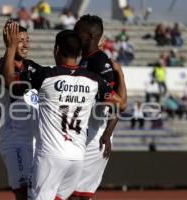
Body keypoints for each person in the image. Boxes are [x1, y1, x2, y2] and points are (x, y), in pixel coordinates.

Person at [3, 23, 125, 200]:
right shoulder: (93, 80)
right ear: (78, 53)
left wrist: (11, 46)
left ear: (57, 49)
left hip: (50, 158)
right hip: (76, 159)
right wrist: (120, 75)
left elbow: (9, 82)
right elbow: (121, 104)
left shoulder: (46, 76)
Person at [71, 15, 127, 200]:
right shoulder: (86, 60)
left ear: (88, 36)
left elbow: (117, 103)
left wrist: (107, 135)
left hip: (97, 137)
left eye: (77, 31)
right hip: (84, 133)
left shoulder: (100, 62)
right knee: (71, 192)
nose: (73, 34)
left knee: (77, 194)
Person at [0, 22, 40, 200]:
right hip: (14, 139)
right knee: (24, 193)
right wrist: (10, 47)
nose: (26, 45)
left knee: (40, 192)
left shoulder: (33, 67)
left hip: (36, 139)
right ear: (9, 41)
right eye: (20, 41)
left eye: (28, 40)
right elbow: (8, 81)